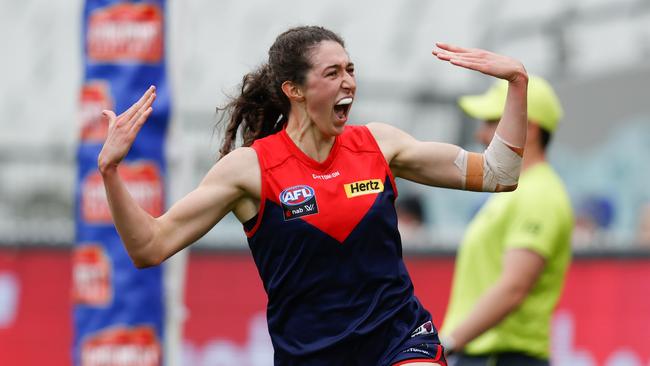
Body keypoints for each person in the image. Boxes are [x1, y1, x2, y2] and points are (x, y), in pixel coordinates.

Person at [98, 25, 529, 366]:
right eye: (333, 73)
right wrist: (111, 171)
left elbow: (498, 174)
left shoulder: (379, 144)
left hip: (398, 340)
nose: (349, 83)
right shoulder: (250, 169)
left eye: (351, 69)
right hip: (312, 354)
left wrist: (517, 82)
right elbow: (148, 247)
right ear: (294, 90)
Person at [440, 76, 574, 366]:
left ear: (529, 128)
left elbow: (513, 287)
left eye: (491, 121)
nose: (481, 134)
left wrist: (446, 343)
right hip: (487, 355)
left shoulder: (540, 195)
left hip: (501, 357)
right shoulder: (517, 190)